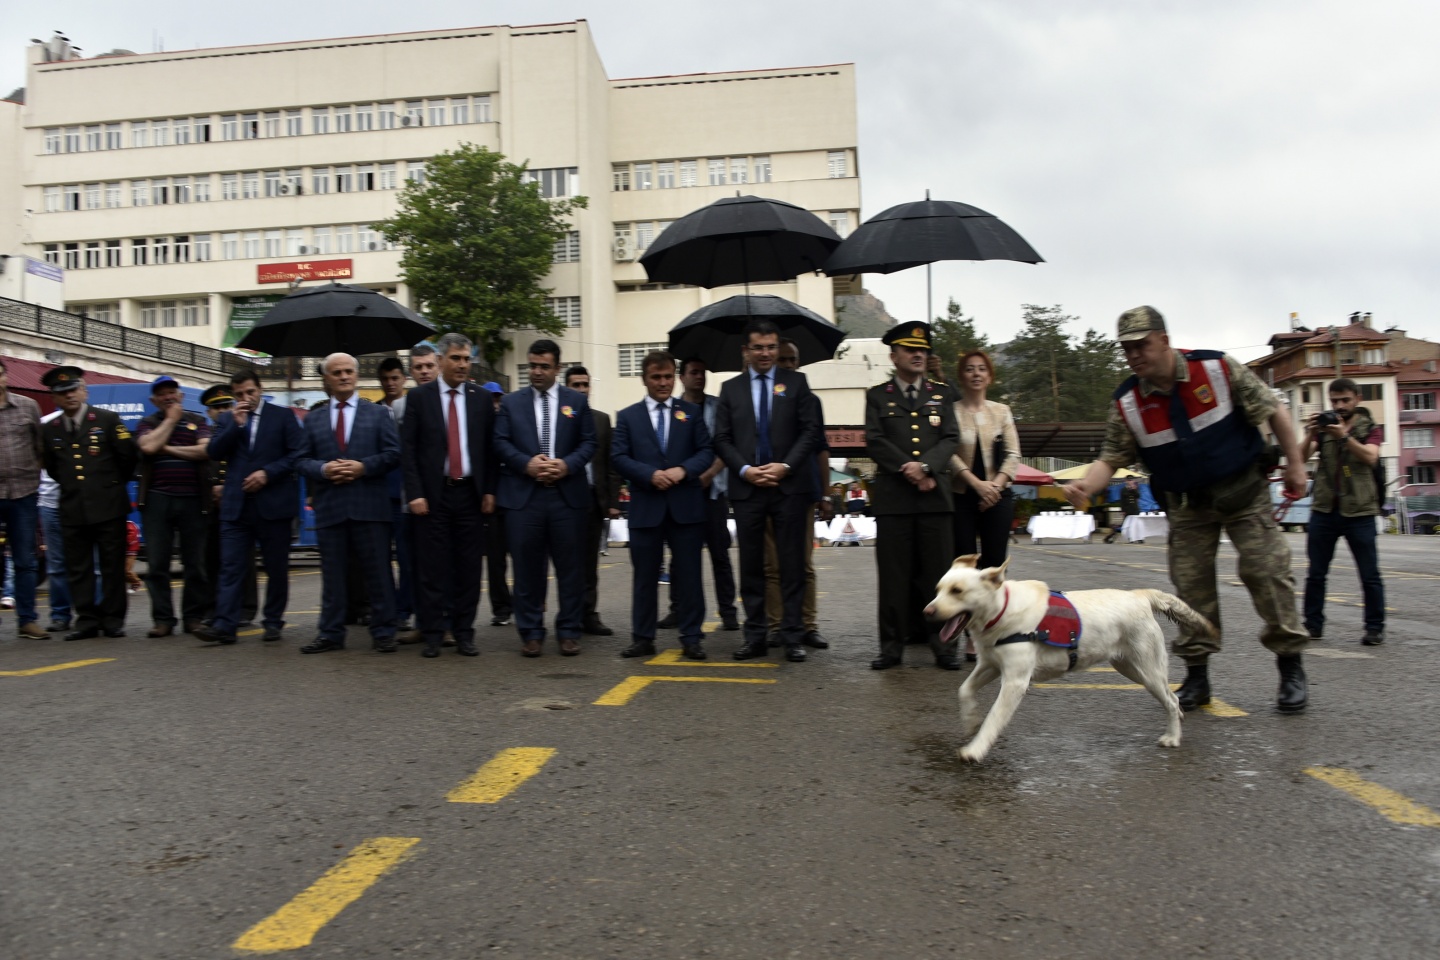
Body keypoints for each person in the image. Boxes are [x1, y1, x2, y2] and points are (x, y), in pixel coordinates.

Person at [1061, 306, 1311, 713]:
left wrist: (1296, 464)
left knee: (1266, 572)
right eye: (1127, 349)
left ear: (1164, 339)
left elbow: (1273, 410)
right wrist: (1085, 487)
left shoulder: (1215, 369)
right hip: (1188, 505)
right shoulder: (1127, 403)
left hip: (1243, 493)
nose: (1135, 355)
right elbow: (1110, 458)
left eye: (1142, 344)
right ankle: (1197, 677)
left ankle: (1290, 667)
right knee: (1191, 591)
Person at [713, 318, 821, 662]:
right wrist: (745, 470)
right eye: (758, 347)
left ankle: (792, 636)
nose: (765, 353)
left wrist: (785, 466)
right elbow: (722, 438)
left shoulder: (797, 383)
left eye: (771, 347)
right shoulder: (730, 389)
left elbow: (809, 432)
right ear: (745, 351)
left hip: (788, 487)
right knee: (752, 567)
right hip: (747, 490)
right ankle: (756, 635)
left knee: (791, 565)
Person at [864, 322, 961, 670]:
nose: (919, 355)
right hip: (894, 501)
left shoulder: (942, 393)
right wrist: (908, 468)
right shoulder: (877, 395)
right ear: (894, 355)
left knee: (939, 578)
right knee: (893, 577)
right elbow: (874, 441)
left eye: (922, 350)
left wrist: (926, 468)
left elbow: (951, 438)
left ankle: (945, 647)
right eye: (910, 350)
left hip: (935, 499)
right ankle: (891, 647)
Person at [495, 339, 597, 657]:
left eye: (543, 367)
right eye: (532, 366)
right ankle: (531, 631)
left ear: (557, 368)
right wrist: (527, 464)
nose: (536, 372)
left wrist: (566, 465)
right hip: (525, 498)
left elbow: (589, 443)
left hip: (565, 498)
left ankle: (568, 630)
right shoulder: (512, 403)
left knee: (570, 569)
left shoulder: (575, 402)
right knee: (527, 569)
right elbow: (499, 442)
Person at [610, 350, 715, 660]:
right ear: (644, 379)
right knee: (644, 578)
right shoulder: (628, 416)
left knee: (690, 576)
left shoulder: (691, 413)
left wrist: (683, 470)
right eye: (656, 377)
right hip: (646, 508)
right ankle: (643, 638)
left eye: (668, 376)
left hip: (685, 507)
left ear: (675, 377)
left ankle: (692, 637)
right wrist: (649, 475)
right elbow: (618, 456)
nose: (663, 383)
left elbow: (706, 452)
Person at [296, 353, 401, 654]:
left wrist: (362, 467)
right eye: (337, 372)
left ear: (356, 376)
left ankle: (383, 631)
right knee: (332, 574)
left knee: (378, 572)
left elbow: (394, 454)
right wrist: (324, 470)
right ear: (326, 379)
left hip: (369, 505)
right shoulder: (314, 418)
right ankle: (330, 633)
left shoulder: (378, 414)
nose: (343, 376)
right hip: (331, 507)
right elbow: (301, 460)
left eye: (348, 372)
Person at [401, 333, 497, 658]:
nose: (462, 364)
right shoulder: (420, 398)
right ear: (440, 360)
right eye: (455, 358)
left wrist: (489, 491)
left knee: (469, 568)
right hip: (433, 496)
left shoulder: (481, 399)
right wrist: (415, 493)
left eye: (466, 358)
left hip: (470, 494)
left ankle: (464, 631)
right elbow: (409, 451)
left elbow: (489, 450)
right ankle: (432, 632)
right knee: (432, 568)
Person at [194, 369, 304, 646]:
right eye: (239, 394)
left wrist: (267, 473)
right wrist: (236, 425)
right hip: (236, 506)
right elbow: (214, 452)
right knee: (231, 566)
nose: (246, 398)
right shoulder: (229, 419)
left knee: (275, 567)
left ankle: (273, 621)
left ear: (260, 389)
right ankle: (225, 625)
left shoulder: (283, 416)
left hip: (273, 504)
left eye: (250, 392)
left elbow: (297, 455)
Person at [38, 366, 139, 640]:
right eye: (62, 392)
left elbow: (127, 459)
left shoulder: (107, 420)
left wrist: (106, 487)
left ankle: (113, 619)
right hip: (73, 508)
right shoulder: (50, 429)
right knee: (79, 568)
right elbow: (53, 468)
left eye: (73, 389)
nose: (69, 396)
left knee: (111, 566)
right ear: (55, 398)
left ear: (83, 391)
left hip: (108, 505)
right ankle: (86, 620)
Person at [1302, 377, 1385, 645]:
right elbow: (1300, 457)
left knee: (1369, 573)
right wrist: (1309, 434)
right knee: (1316, 572)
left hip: (1359, 510)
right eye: (1335, 401)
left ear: (1357, 398)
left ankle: (1374, 627)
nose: (1340, 406)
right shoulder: (1324, 428)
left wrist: (1344, 437)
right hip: (1325, 509)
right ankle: (1312, 625)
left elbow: (1371, 457)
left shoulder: (1370, 427)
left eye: (1345, 400)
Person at [659, 357, 740, 632]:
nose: (699, 377)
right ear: (682, 377)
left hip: (713, 492)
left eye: (703, 373)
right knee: (680, 555)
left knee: (720, 554)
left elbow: (725, 447)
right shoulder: (671, 409)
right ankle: (677, 609)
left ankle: (728, 612)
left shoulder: (717, 407)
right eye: (694, 373)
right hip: (681, 492)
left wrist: (708, 475)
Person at [764, 337, 832, 649]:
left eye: (793, 361)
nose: (789, 366)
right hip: (765, 490)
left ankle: (808, 624)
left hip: (802, 491)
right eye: (783, 361)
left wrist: (825, 494)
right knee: (773, 565)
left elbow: (820, 449)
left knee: (803, 564)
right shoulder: (758, 399)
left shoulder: (811, 401)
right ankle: (777, 625)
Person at [135, 375, 212, 638]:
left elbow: (204, 451)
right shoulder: (147, 423)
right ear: (154, 400)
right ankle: (163, 619)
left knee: (195, 564)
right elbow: (147, 447)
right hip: (157, 500)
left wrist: (165, 448)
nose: (168, 397)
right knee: (157, 564)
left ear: (180, 395)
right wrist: (169, 420)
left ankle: (193, 617)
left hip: (193, 499)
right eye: (162, 394)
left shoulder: (198, 421)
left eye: (172, 392)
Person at [564, 365, 620, 637]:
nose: (582, 389)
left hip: (592, 501)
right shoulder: (561, 418)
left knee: (589, 564)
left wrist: (611, 501)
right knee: (566, 564)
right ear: (566, 388)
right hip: (563, 501)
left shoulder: (601, 420)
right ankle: (568, 616)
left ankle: (589, 614)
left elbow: (610, 463)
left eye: (585, 384)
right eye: (576, 385)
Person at [950, 350, 1019, 570]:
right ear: (961, 377)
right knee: (963, 563)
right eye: (969, 369)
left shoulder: (1002, 411)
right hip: (961, 495)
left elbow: (1013, 454)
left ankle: (996, 605)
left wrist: (993, 489)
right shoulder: (950, 412)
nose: (976, 374)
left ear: (989, 376)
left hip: (997, 497)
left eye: (982, 369)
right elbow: (948, 453)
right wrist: (977, 484)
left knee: (995, 564)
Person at [198, 385, 258, 627]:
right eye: (217, 408)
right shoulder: (207, 436)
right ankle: (214, 608)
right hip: (211, 507)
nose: (222, 411)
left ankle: (246, 607)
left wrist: (226, 487)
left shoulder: (243, 431)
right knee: (211, 559)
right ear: (209, 412)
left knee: (244, 559)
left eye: (226, 406)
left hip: (237, 502)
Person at [0, 357, 48, 639]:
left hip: (23, 495)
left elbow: (40, 447)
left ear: (6, 376)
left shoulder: (28, 406)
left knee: (26, 561)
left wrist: (32, 476)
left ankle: (27, 620)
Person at [376, 356, 415, 636]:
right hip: (378, 495)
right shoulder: (372, 411)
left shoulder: (414, 407)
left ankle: (404, 611)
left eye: (395, 378)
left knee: (407, 557)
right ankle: (386, 610)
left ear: (404, 379)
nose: (391, 384)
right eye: (386, 379)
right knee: (380, 559)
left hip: (405, 493)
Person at [480, 382, 514, 627]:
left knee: (525, 556)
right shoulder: (477, 428)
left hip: (517, 500)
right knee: (495, 560)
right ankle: (501, 608)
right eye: (490, 399)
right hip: (491, 503)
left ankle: (527, 603)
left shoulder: (512, 423)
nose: (495, 404)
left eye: (498, 399)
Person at [36, 412, 72, 633]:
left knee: (91, 564)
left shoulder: (92, 421)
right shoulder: (45, 423)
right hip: (49, 503)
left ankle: (94, 615)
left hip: (81, 503)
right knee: (57, 564)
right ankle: (60, 614)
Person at [1104, 479, 1143, 544]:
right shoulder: (1123, 490)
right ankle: (1130, 538)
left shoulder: (1135, 488)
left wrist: (1133, 489)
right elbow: (1122, 501)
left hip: (1135, 509)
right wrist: (1123, 510)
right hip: (1127, 510)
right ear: (1126, 481)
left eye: (1131, 480)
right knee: (1127, 525)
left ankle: (1139, 538)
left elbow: (1138, 496)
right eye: (1129, 480)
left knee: (1137, 525)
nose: (1130, 482)